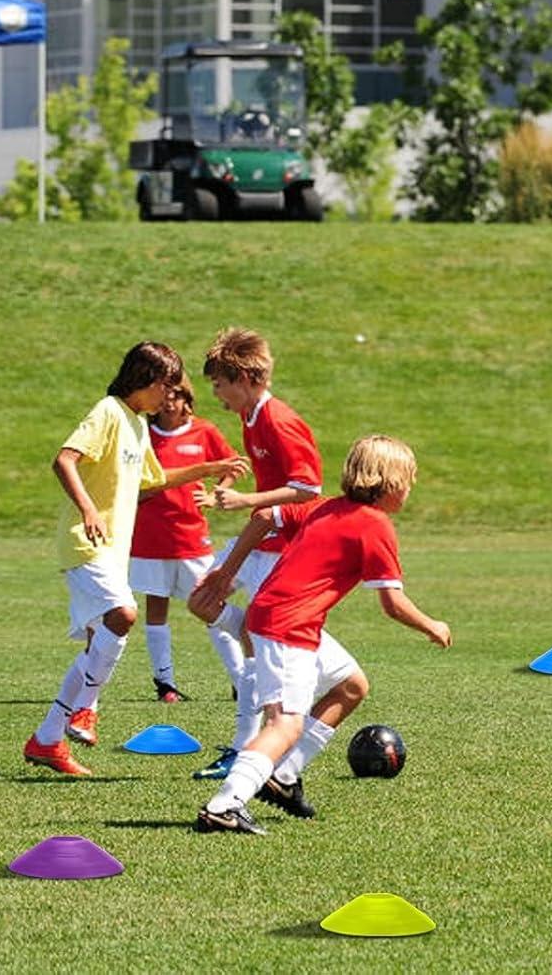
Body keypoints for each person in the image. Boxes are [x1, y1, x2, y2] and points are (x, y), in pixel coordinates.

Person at [190, 434, 452, 835]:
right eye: (409, 480)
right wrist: (432, 625)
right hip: (287, 627)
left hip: (286, 620)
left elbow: (264, 517)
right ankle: (225, 804)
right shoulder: (376, 526)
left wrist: (227, 572)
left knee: (351, 686)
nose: (410, 488)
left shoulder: (326, 507)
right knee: (284, 725)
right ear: (391, 481)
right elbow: (392, 604)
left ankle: (284, 777)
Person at [24, 342, 192, 776]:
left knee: (99, 639)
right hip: (85, 542)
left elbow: (152, 482)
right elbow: (64, 460)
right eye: (167, 388)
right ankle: (85, 710)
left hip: (113, 550)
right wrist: (88, 507)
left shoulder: (137, 424)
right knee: (124, 614)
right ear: (147, 380)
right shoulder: (109, 410)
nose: (170, 399)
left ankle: (47, 740)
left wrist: (208, 470)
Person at [190, 326, 324, 780]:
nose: (217, 394)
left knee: (254, 651)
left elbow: (309, 489)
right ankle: (254, 633)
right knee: (201, 598)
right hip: (262, 531)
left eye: (220, 384)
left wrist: (247, 501)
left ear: (246, 379)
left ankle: (242, 747)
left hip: (283, 542)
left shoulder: (279, 420)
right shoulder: (250, 419)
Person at [132, 373, 245, 703]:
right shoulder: (144, 434)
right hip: (150, 538)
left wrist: (216, 494)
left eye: (176, 394)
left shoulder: (204, 431)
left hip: (191, 537)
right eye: (165, 394)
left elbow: (233, 464)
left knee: (210, 605)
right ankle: (165, 684)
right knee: (156, 607)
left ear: (187, 398)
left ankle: (240, 679)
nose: (170, 401)